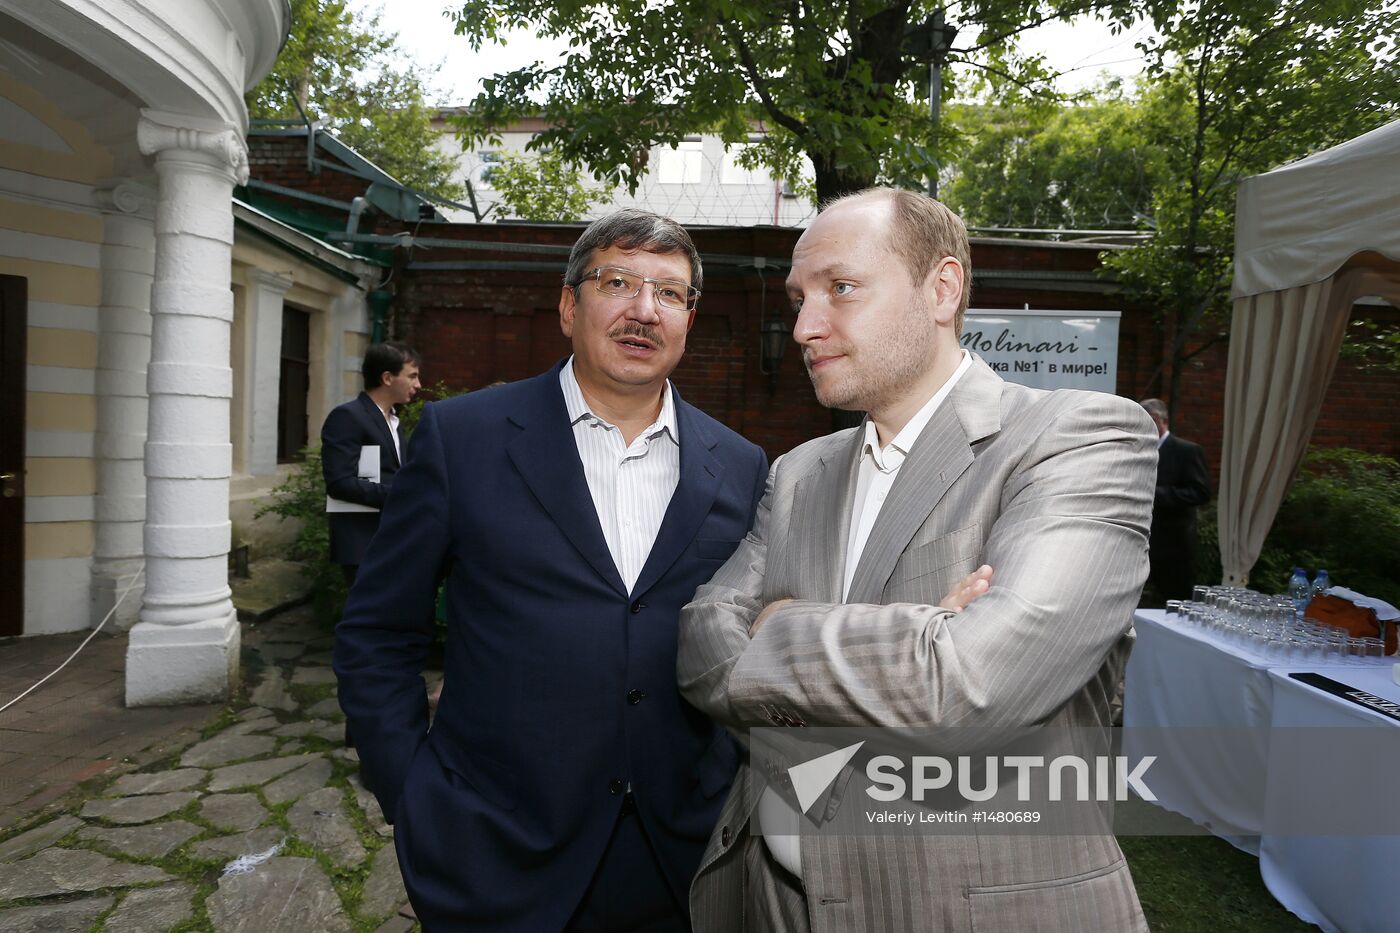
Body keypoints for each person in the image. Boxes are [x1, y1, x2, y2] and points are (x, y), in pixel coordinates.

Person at [677, 188, 1156, 932]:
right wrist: (919, 635)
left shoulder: (1076, 438)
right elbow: (702, 642)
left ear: (942, 288)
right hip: (768, 901)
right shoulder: (800, 470)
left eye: (841, 288)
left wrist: (776, 623)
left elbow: (970, 687)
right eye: (800, 297)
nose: (804, 325)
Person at [333, 209, 769, 931]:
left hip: (680, 856)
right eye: (617, 281)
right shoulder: (461, 438)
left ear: (690, 317)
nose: (642, 309)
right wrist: (414, 794)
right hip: (498, 852)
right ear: (569, 305)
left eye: (669, 292)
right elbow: (378, 633)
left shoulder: (741, 465)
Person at [321, 341, 421, 588]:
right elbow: (339, 483)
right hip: (362, 543)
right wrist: (403, 495)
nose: (418, 385)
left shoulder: (395, 422)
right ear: (387, 378)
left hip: (391, 539)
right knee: (365, 620)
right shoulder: (348, 417)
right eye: (412, 376)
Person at [1139, 398, 1211, 603]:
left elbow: (1200, 492)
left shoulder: (1186, 451)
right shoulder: (1138, 450)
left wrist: (1155, 494)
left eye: (1148, 420)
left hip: (1173, 545)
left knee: (1174, 602)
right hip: (1140, 542)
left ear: (1161, 420)